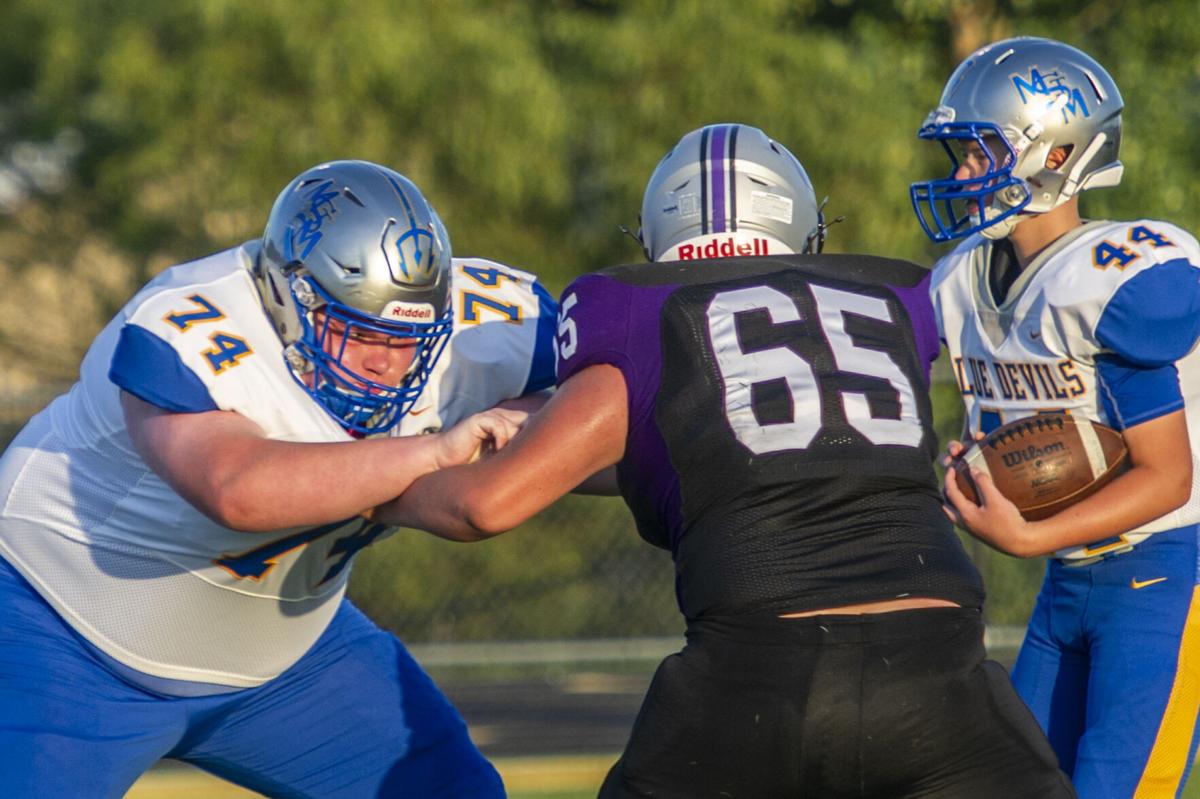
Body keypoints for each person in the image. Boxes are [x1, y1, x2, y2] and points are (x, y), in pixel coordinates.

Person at [389, 124, 1075, 798]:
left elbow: (486, 503)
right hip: (941, 663)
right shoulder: (894, 299)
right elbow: (757, 449)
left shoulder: (640, 311)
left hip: (761, 674)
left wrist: (384, 492)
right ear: (805, 231)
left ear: (658, 235)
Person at [0, 159, 557, 797]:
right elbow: (236, 488)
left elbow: (614, 405)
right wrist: (436, 451)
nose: (386, 365)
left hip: (284, 656)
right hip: (61, 636)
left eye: (409, 341)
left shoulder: (490, 320)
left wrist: (542, 419)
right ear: (288, 297)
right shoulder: (185, 324)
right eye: (355, 332)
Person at [912, 36, 1200, 797]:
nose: (963, 174)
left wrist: (1026, 532)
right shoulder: (959, 281)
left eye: (981, 152)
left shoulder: (1112, 281)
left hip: (1167, 574)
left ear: (1057, 152)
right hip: (1067, 581)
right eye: (961, 155)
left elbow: (1169, 477)